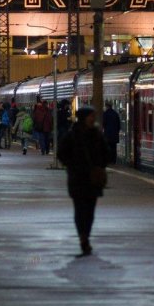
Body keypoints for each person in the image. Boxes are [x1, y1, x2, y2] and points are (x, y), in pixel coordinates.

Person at [57, 106, 109, 257]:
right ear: (84, 118)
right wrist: (73, 165)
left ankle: (85, 235)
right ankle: (83, 238)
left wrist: (100, 165)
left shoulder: (96, 135)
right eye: (91, 116)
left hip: (91, 179)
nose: (93, 119)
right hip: (78, 179)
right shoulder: (72, 136)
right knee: (81, 210)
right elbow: (62, 154)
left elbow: (106, 153)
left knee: (89, 211)